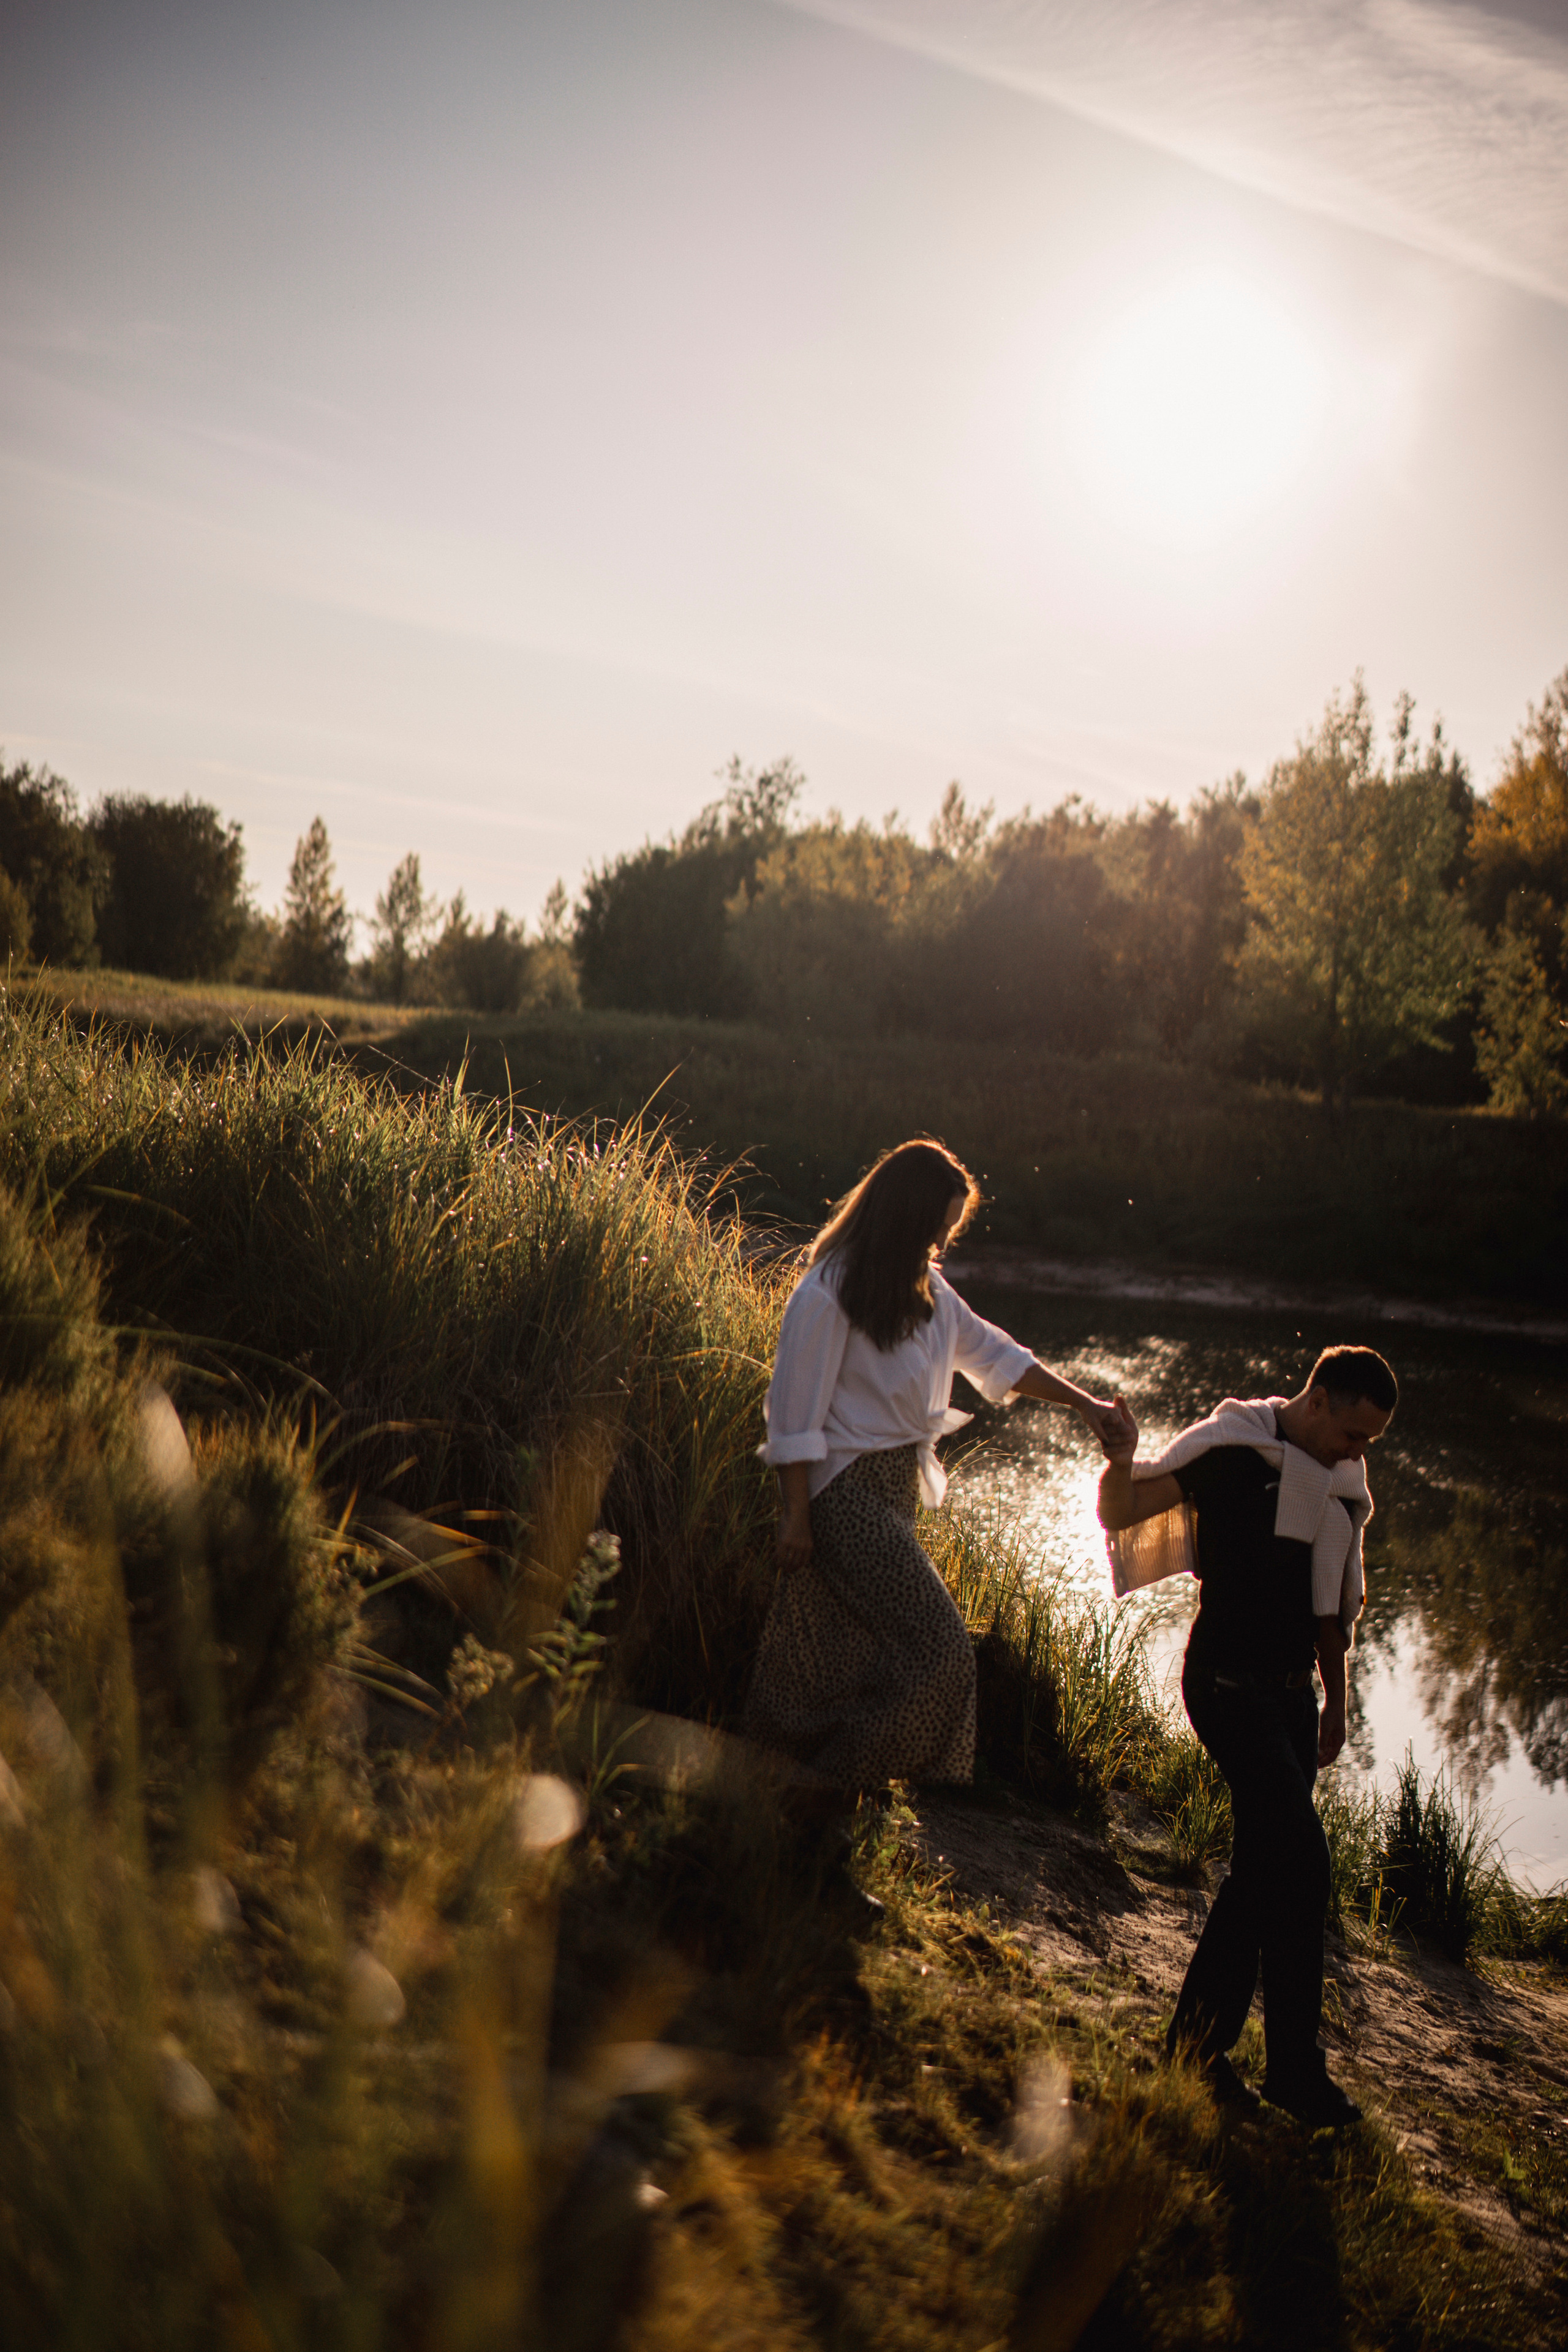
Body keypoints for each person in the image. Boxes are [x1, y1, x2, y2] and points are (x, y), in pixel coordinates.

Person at [748, 1139, 1127, 1847]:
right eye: (936, 1228)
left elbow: (998, 1356)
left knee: (864, 1661)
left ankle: (822, 1835)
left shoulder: (926, 1291)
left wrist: (1085, 1404)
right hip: (840, 1491)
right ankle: (811, 1795)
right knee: (942, 1651)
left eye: (948, 1231)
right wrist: (796, 1516)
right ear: (905, 1216)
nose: (942, 1243)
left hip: (894, 1490)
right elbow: (792, 1414)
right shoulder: (827, 1289)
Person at [1096, 1346, 1398, 2128]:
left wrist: (1335, 1706)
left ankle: (1214, 2055)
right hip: (1227, 1688)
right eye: (1354, 1434)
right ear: (1318, 1401)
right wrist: (1121, 1461)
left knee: (1269, 1869)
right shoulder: (1234, 1452)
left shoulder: (1339, 1483)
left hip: (1293, 1699)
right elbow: (1122, 1514)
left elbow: (1329, 1610)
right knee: (1300, 1860)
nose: (1358, 1454)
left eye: (1369, 1442)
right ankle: (1280, 2067)